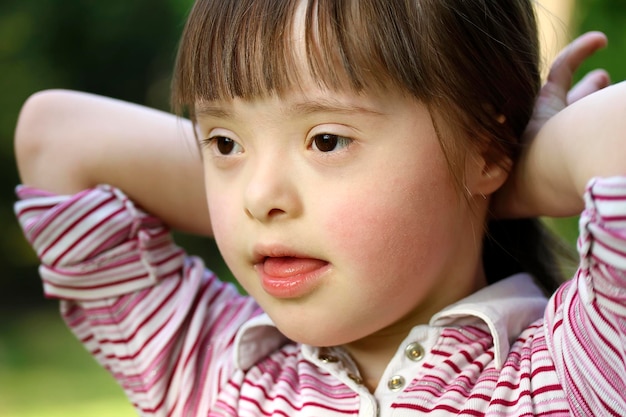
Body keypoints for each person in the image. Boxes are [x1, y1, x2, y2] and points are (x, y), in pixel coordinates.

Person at [13, 0, 625, 415]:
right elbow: (57, 137)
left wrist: (504, 173)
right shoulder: (218, 371)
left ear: (488, 147)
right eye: (224, 144)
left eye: (326, 140)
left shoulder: (574, 370)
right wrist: (482, 189)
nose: (258, 197)